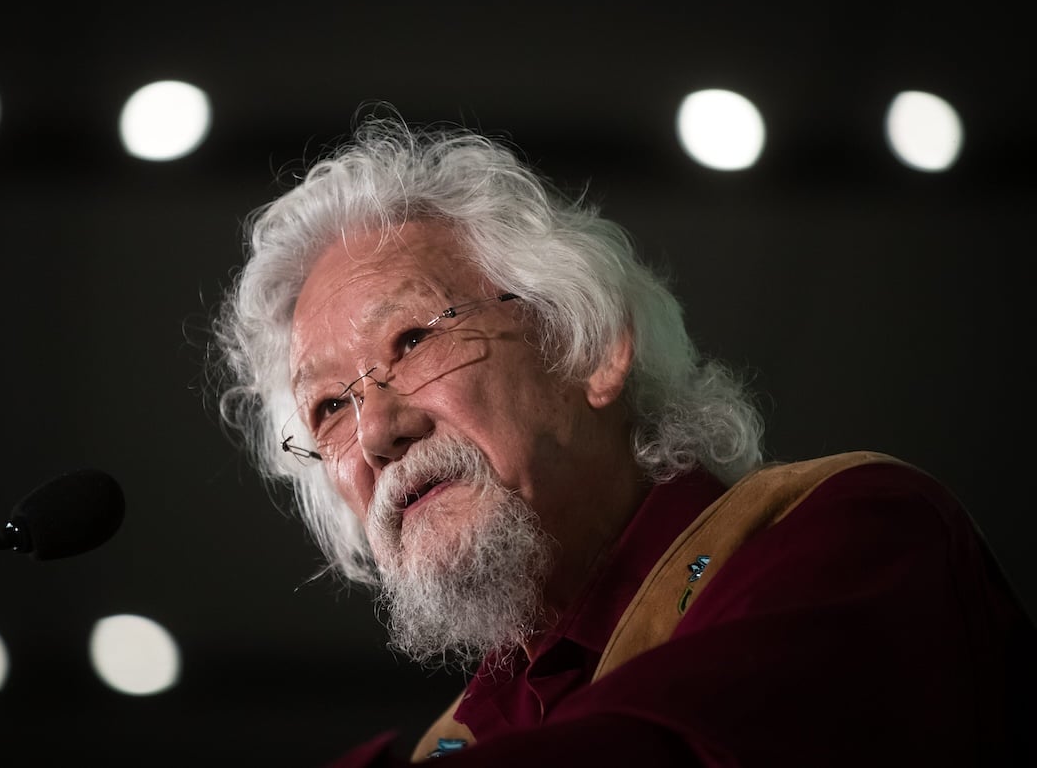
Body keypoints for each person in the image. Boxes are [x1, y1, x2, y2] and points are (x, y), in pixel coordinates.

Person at [209, 109, 1035, 766]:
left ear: (593, 347)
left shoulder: (856, 532)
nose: (378, 430)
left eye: (413, 341)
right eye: (327, 409)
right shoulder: (461, 737)